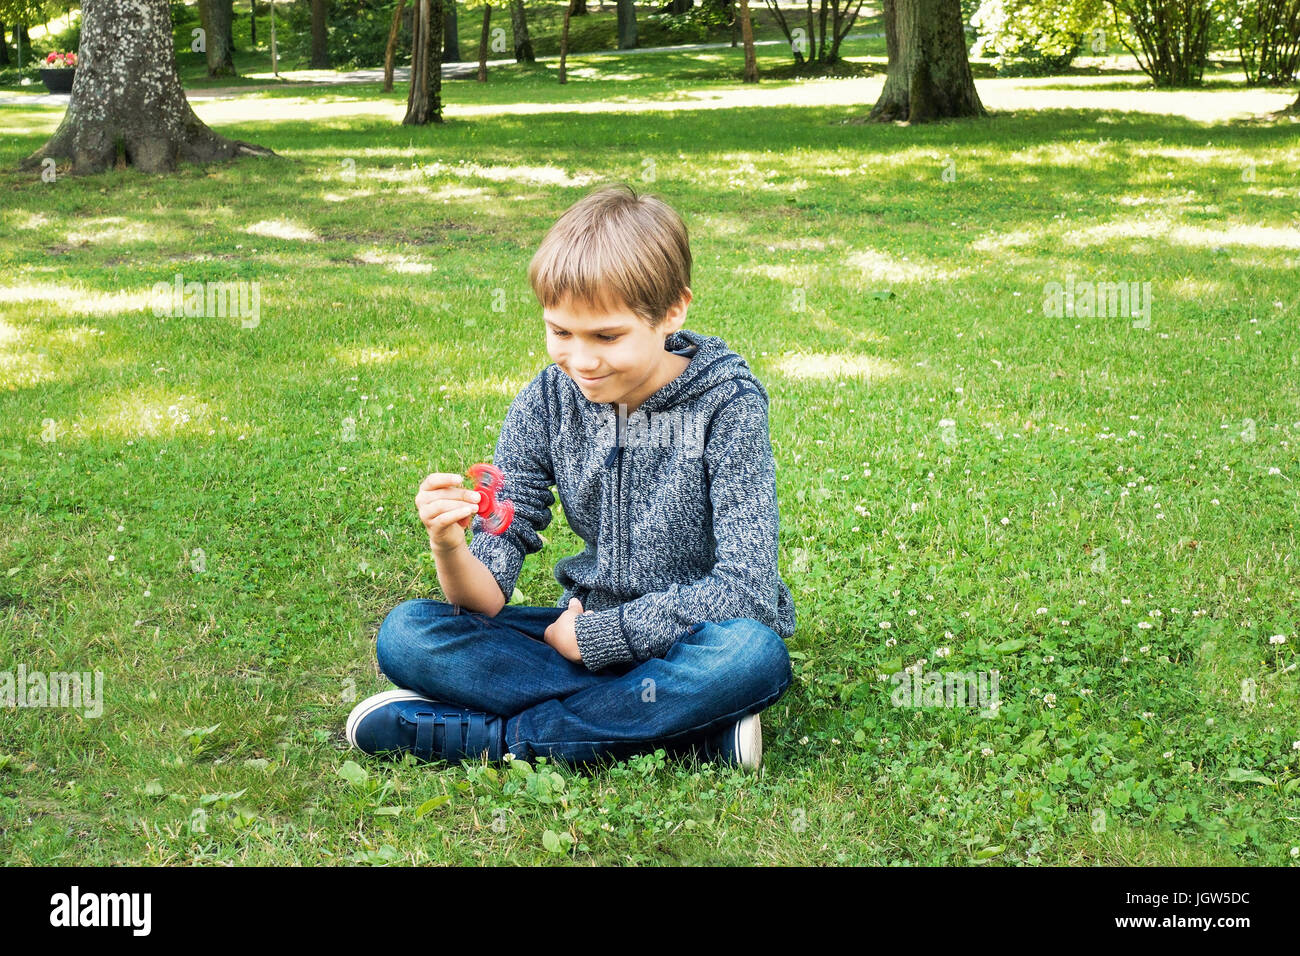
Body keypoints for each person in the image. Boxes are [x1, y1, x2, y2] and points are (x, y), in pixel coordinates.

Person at [346, 182, 796, 772]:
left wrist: (603, 637)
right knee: (408, 634)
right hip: (572, 640)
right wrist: (449, 545)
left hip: (684, 643)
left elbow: (749, 593)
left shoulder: (727, 403)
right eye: (561, 332)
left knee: (751, 653)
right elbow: (484, 597)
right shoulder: (546, 401)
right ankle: (679, 731)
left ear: (672, 312)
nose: (581, 361)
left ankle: (505, 741)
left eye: (607, 336)